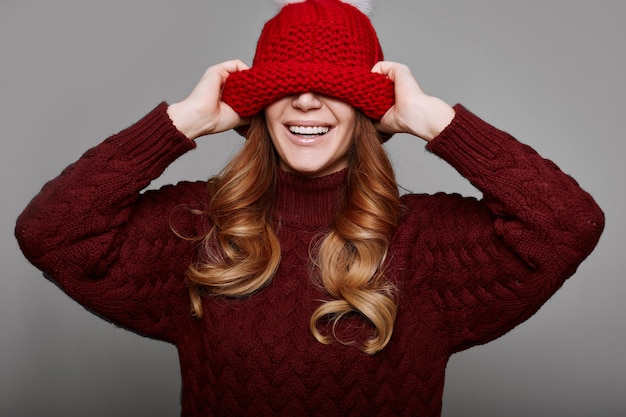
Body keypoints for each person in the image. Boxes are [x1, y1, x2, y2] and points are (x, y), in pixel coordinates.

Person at [15, 0, 604, 416]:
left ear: (366, 108)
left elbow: (568, 224)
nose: (304, 99)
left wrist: (434, 121)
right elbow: (52, 233)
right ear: (262, 104)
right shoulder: (200, 230)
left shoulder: (424, 242)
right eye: (285, 84)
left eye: (333, 87)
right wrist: (183, 122)